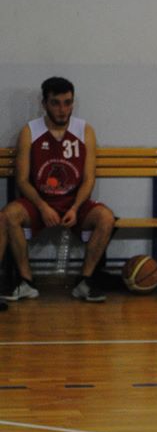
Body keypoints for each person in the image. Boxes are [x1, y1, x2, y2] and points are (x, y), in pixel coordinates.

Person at [0, 77, 115, 303]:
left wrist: (75, 208)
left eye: (67, 103)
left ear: (73, 103)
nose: (62, 110)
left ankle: (85, 281)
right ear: (44, 103)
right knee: (7, 216)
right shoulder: (30, 131)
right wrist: (42, 207)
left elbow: (88, 179)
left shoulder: (84, 130)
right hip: (39, 202)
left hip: (73, 202)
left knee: (106, 217)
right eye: (55, 103)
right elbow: (22, 180)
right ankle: (26, 281)